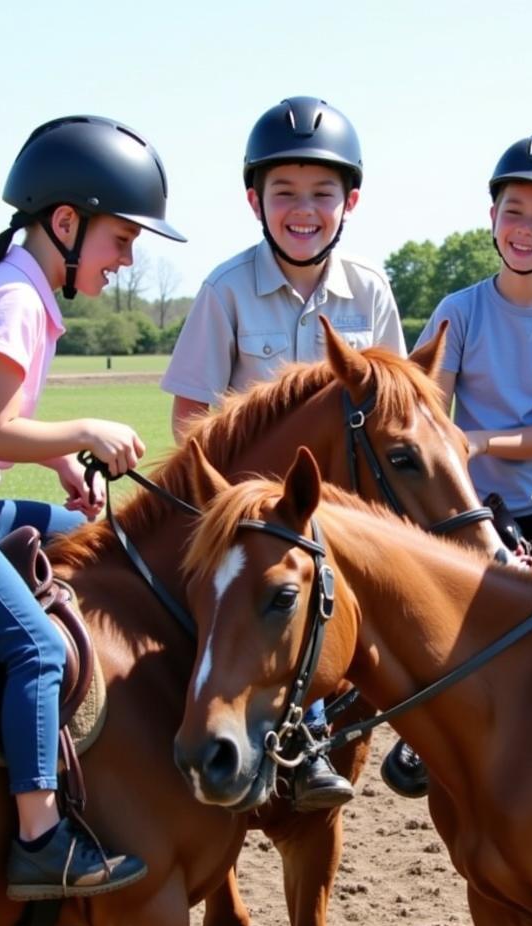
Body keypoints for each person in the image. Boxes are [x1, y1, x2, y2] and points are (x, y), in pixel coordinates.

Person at [0, 115, 186, 900]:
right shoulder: (15, 300)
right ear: (66, 223)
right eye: (121, 239)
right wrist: (83, 429)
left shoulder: (18, 288)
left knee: (98, 536)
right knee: (36, 650)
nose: (127, 259)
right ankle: (38, 837)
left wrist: (62, 465)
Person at [161, 96, 404, 811]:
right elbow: (190, 417)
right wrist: (239, 508)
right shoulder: (225, 290)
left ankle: (413, 729)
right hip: (251, 519)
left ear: (349, 201)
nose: (305, 209)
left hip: (339, 512)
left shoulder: (371, 290)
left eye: (322, 194)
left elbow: (390, 408)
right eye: (285, 193)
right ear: (254, 200)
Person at [382, 134, 532, 799]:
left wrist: (476, 442)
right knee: (423, 613)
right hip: (465, 502)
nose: (526, 229)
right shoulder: (460, 309)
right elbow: (429, 411)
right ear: (492, 217)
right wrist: (460, 454)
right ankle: (423, 734)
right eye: (514, 210)